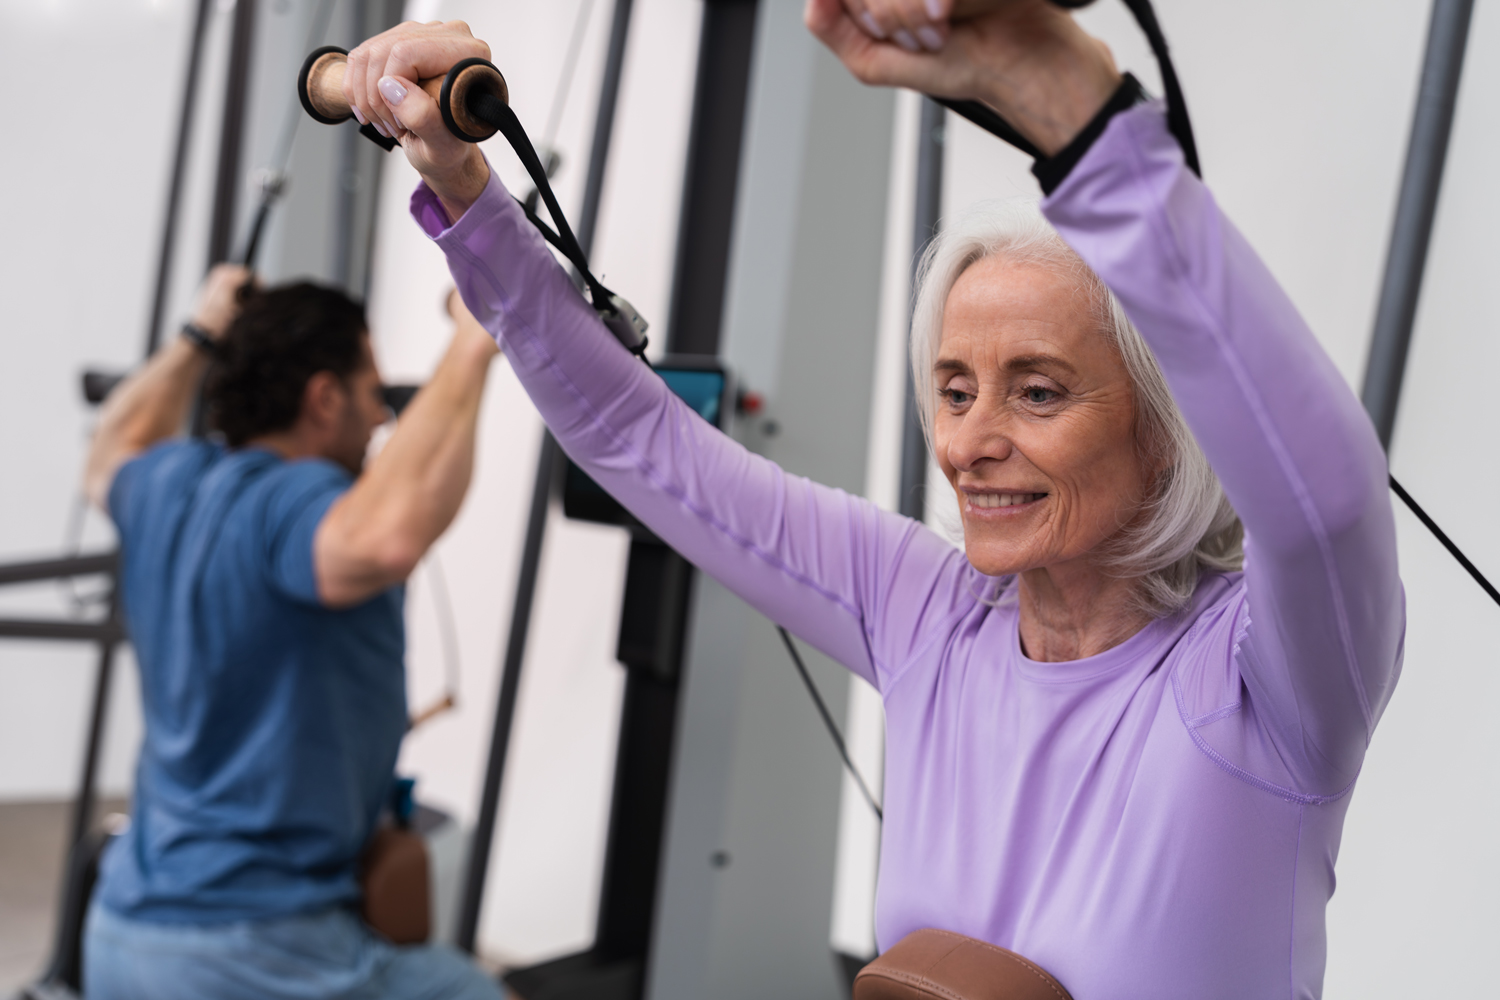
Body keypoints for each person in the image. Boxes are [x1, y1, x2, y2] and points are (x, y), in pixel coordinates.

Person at [342, 0, 1403, 995]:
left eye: (1036, 390)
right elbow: (639, 440)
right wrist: (468, 192)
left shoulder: (1267, 681)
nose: (971, 443)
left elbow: (1329, 505)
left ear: (1170, 434)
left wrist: (1070, 109)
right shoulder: (929, 611)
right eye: (952, 389)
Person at [81, 268, 503, 1000]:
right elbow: (384, 539)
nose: (380, 420)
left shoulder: (170, 481)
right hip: (252, 953)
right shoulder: (297, 498)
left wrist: (199, 332)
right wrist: (476, 336)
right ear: (324, 397)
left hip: (122, 939)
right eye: (373, 394)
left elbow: (110, 445)